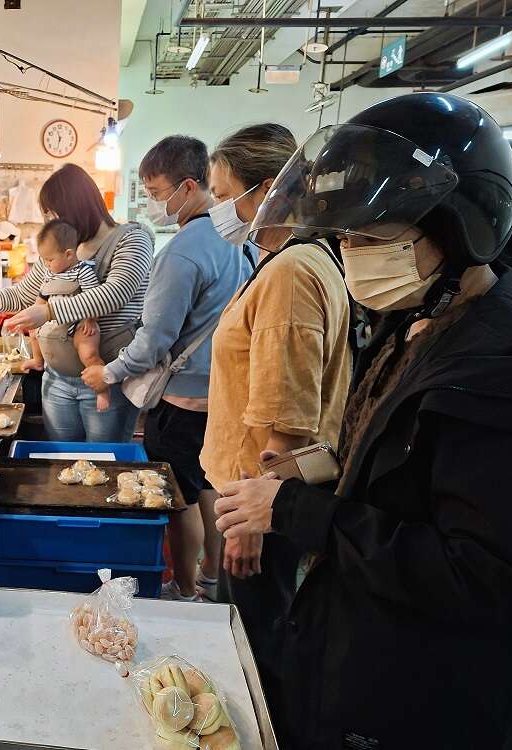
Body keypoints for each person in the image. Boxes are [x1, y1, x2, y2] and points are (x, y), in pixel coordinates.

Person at [213, 93, 512, 749]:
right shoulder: (415, 320)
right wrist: (313, 472)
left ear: (458, 231)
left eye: (373, 238)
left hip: (418, 694)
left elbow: (479, 576)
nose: (352, 254)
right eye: (345, 238)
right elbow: (389, 462)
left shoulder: (496, 372)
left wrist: (295, 511)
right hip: (356, 646)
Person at [199, 123, 353, 697]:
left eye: (223, 194)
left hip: (262, 501)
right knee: (257, 633)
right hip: (259, 498)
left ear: (266, 190)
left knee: (254, 651)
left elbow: (283, 416)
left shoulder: (290, 273)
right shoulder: (289, 262)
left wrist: (253, 522)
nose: (218, 209)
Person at [80, 135, 252, 602]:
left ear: (189, 186)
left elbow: (153, 340)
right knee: (209, 486)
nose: (154, 204)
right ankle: (212, 577)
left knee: (179, 498)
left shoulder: (182, 251)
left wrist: (107, 373)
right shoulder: (240, 240)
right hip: (223, 393)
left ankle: (186, 588)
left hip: (181, 400)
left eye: (156, 193)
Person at [0, 164, 153, 442]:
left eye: (54, 214)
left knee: (103, 460)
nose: (52, 222)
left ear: (77, 208)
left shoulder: (131, 239)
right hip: (57, 381)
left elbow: (114, 294)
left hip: (106, 380)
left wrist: (49, 310)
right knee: (59, 459)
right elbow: (23, 295)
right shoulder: (60, 245)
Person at [21, 219, 111, 412]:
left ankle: (102, 390)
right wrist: (30, 317)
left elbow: (94, 299)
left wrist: (90, 319)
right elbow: (42, 297)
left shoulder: (83, 272)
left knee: (88, 352)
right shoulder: (50, 273)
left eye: (50, 260)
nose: (46, 264)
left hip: (78, 324)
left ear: (69, 254)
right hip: (54, 327)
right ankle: (38, 361)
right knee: (33, 333)